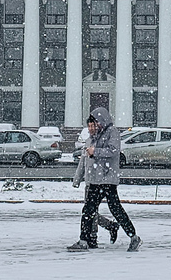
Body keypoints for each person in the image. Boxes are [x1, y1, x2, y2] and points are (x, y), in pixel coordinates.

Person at [67, 108, 142, 252]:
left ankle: (133, 236)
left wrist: (95, 151)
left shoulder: (112, 132)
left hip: (107, 179)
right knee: (90, 210)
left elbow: (113, 151)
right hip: (97, 180)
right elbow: (86, 159)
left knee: (112, 209)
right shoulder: (96, 136)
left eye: (96, 122)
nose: (95, 126)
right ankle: (84, 240)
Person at [72, 118, 120, 247]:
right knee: (90, 211)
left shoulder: (102, 141)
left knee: (90, 211)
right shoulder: (88, 141)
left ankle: (92, 237)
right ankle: (108, 227)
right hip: (90, 180)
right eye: (89, 126)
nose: (91, 128)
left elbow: (109, 157)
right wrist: (77, 179)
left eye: (93, 126)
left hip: (101, 181)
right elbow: (83, 162)